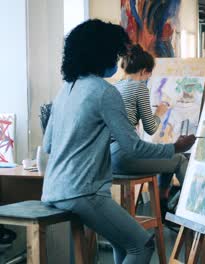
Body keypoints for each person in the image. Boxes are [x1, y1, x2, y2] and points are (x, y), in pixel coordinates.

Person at [41, 19, 195, 264]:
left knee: (123, 244)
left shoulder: (66, 89)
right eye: (114, 54)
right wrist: (175, 147)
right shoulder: (104, 92)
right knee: (143, 245)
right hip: (84, 192)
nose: (116, 61)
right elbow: (133, 147)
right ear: (100, 53)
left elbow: (47, 146)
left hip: (53, 190)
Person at [111, 44, 188, 211]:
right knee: (179, 158)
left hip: (109, 159)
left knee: (168, 153)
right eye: (150, 73)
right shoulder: (139, 87)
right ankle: (195, 208)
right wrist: (160, 112)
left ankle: (162, 204)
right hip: (126, 157)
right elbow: (151, 128)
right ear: (143, 71)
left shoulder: (115, 87)